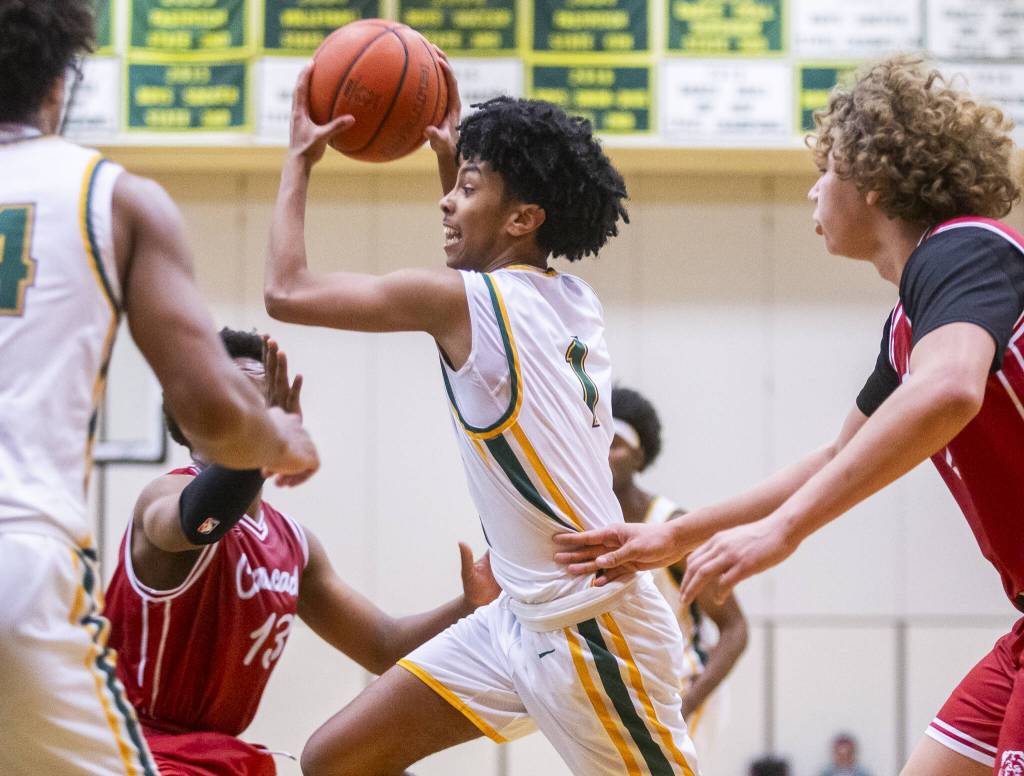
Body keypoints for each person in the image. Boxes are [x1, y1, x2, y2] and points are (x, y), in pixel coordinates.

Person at [554, 55, 1022, 776]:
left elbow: (951, 390)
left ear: (873, 180)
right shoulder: (909, 323)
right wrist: (675, 534)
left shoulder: (966, 248)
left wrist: (784, 531)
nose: (812, 190)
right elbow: (835, 458)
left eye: (825, 168)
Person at [264, 59, 701, 775]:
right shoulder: (568, 298)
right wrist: (453, 161)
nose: (447, 205)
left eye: (469, 190)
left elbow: (287, 291)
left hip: (592, 628)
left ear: (525, 217)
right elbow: (485, 280)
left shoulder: (468, 306)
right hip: (518, 619)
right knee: (334, 759)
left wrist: (300, 158)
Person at [0, 3, 318, 774]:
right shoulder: (112, 197)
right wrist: (283, 440)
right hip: (19, 551)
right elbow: (213, 411)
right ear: (59, 87)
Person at [103, 328, 502, 775]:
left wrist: (469, 606)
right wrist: (261, 441)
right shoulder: (165, 495)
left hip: (218, 757)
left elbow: (384, 645)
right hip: (133, 750)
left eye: (262, 396)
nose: (254, 410)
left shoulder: (294, 543)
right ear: (192, 414)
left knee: (362, 763)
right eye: (236, 393)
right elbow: (199, 519)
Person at [610, 386, 748, 743]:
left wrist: (687, 704)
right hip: (623, 693)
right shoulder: (584, 523)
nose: (603, 455)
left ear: (640, 456)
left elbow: (735, 628)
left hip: (681, 688)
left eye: (615, 444)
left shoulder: (671, 525)